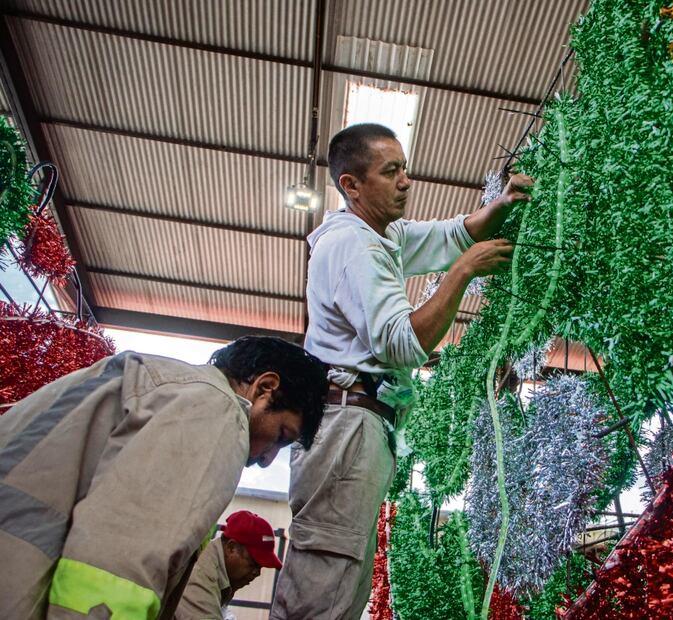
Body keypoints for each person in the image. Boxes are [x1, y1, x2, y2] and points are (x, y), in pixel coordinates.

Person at [270, 123, 532, 619]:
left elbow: (446, 237)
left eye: (404, 168)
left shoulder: (379, 234)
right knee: (327, 573)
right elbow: (402, 342)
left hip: (360, 423)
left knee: (344, 575)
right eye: (391, 172)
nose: (406, 181)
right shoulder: (355, 246)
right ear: (352, 185)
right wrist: (462, 274)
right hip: (345, 423)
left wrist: (497, 209)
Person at [0, 336, 328, 620]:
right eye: (281, 435)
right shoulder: (216, 411)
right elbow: (117, 567)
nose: (268, 459)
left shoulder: (165, 384)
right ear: (264, 389)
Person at [174, 510, 282, 620]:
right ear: (231, 548)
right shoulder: (202, 576)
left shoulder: (223, 573)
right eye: (253, 563)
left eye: (260, 567)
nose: (257, 573)